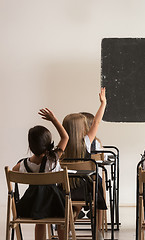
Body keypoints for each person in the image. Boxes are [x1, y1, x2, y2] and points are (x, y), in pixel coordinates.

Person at [12, 108, 69, 240]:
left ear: (31, 146)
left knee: (40, 221)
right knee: (61, 219)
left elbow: (11, 173)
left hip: (33, 206)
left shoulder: (23, 164)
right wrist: (54, 119)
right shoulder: (53, 158)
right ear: (49, 143)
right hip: (55, 203)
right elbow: (65, 137)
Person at [62, 87, 107, 240]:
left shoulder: (61, 148)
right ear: (83, 129)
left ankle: (67, 228)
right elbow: (97, 121)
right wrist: (103, 103)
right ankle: (97, 229)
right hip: (86, 190)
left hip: (65, 190)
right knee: (97, 184)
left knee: (74, 205)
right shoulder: (86, 142)